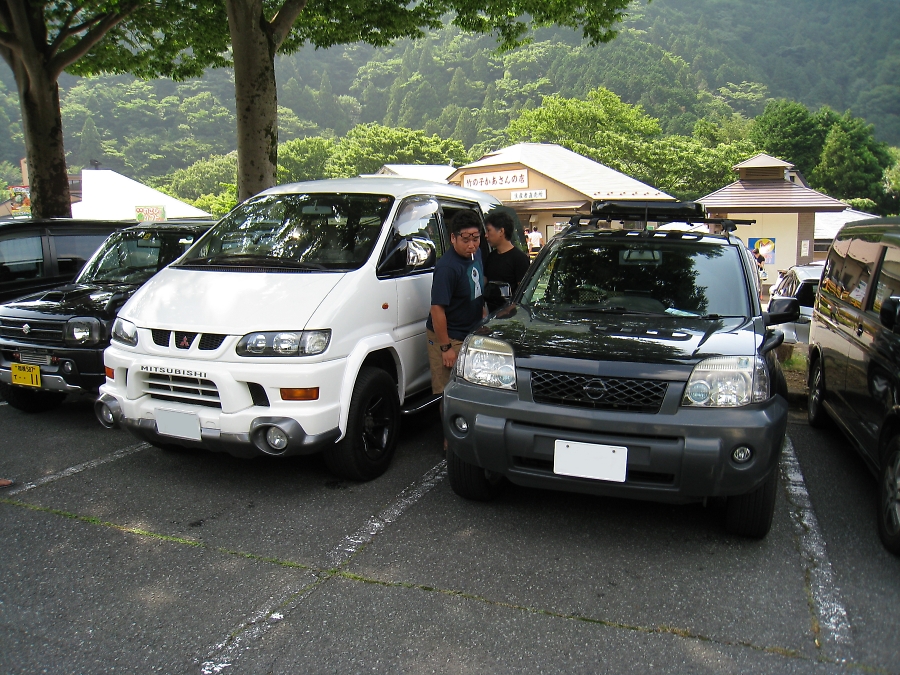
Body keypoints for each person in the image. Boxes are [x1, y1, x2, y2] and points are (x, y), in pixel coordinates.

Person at [426, 210, 486, 396]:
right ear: (453, 238)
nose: (471, 245)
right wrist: (446, 347)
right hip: (449, 335)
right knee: (447, 392)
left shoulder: (477, 254)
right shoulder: (447, 268)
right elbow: (437, 309)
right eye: (465, 240)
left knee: (471, 389)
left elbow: (477, 288)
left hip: (471, 332)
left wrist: (482, 313)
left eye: (475, 239)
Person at [483, 210, 531, 312]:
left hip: (510, 316)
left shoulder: (519, 259)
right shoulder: (490, 257)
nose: (486, 235)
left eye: (489, 230)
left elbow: (524, 294)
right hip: (490, 314)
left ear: (501, 231)